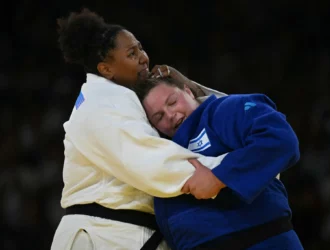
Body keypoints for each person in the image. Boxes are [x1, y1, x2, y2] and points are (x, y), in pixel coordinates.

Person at [51, 8, 228, 250]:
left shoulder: (121, 98)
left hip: (119, 233)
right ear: (106, 69)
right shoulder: (104, 102)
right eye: (132, 54)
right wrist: (231, 170)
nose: (144, 57)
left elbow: (221, 118)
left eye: (141, 48)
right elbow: (152, 162)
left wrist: (186, 86)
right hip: (101, 234)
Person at [135, 77, 304, 250]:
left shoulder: (224, 110)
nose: (170, 115)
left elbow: (280, 139)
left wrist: (220, 177)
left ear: (188, 91)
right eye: (159, 117)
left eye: (172, 102)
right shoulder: (160, 151)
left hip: (261, 239)